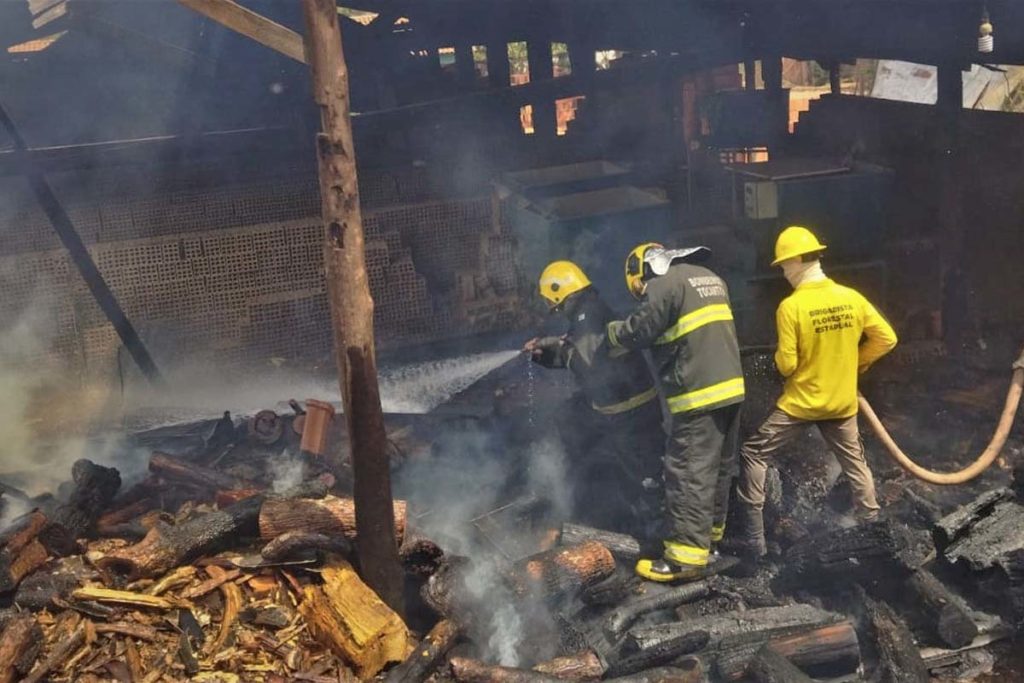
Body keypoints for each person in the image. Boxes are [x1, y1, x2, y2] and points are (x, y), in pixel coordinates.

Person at [736, 226, 898, 559]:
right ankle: (873, 528)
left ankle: (754, 541)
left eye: (783, 265)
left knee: (753, 453)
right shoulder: (851, 297)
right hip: (841, 402)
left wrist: (780, 360)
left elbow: (786, 365)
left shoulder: (791, 307)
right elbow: (887, 339)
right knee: (855, 465)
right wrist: (855, 365)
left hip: (802, 405)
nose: (783, 271)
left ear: (796, 261)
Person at [606, 243, 745, 582]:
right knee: (717, 470)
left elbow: (640, 330)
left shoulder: (663, 284)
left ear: (641, 269)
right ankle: (709, 546)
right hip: (731, 389)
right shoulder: (708, 278)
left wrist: (609, 333)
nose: (641, 292)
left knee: (687, 472)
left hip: (698, 394)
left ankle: (684, 559)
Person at [524, 260, 665, 536]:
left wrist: (549, 348)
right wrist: (546, 352)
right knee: (630, 466)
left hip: (630, 413)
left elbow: (586, 360)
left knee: (646, 473)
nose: (555, 309)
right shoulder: (589, 310)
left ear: (558, 291)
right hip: (625, 409)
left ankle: (659, 533)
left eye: (554, 302)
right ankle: (641, 521)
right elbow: (579, 353)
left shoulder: (586, 314)